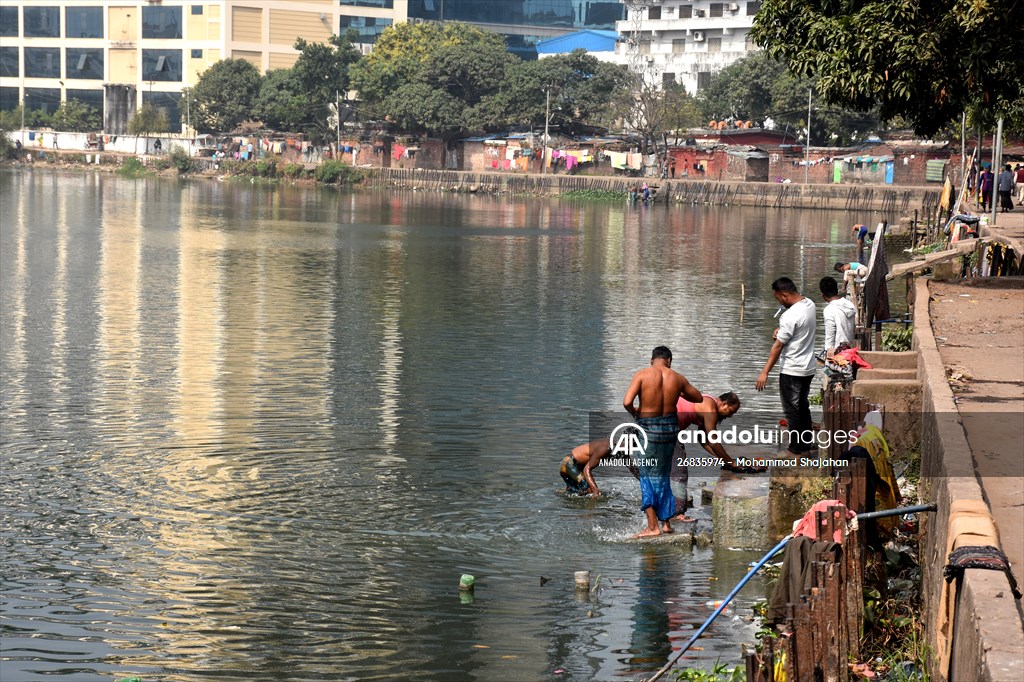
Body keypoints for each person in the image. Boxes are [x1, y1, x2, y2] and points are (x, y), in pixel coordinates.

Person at [623, 346, 703, 538]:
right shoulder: (677, 378)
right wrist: (677, 391)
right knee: (663, 475)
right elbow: (698, 397)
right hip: (669, 430)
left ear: (652, 360)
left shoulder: (642, 374)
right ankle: (666, 523)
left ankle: (652, 527)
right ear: (669, 360)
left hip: (648, 431)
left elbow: (627, 402)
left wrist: (636, 413)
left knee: (647, 476)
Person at [755, 278, 817, 456]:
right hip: (808, 367)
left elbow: (778, 347)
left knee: (792, 410)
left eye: (778, 299)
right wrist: (780, 331)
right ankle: (805, 446)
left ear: (785, 295)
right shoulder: (809, 304)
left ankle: (796, 450)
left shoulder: (790, 316)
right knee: (802, 407)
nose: (779, 302)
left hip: (792, 368)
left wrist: (764, 372)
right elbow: (796, 331)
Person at [676, 391, 743, 471]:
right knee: (679, 472)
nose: (730, 416)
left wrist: (723, 459)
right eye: (731, 412)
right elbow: (713, 442)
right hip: (667, 428)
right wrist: (731, 462)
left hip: (666, 425)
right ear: (724, 404)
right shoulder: (711, 410)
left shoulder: (708, 400)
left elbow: (702, 439)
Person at [819, 276, 856, 356]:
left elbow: (830, 335)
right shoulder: (849, 304)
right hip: (850, 350)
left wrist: (827, 353)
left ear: (823, 295)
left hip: (838, 352)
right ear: (837, 290)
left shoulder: (829, 310)